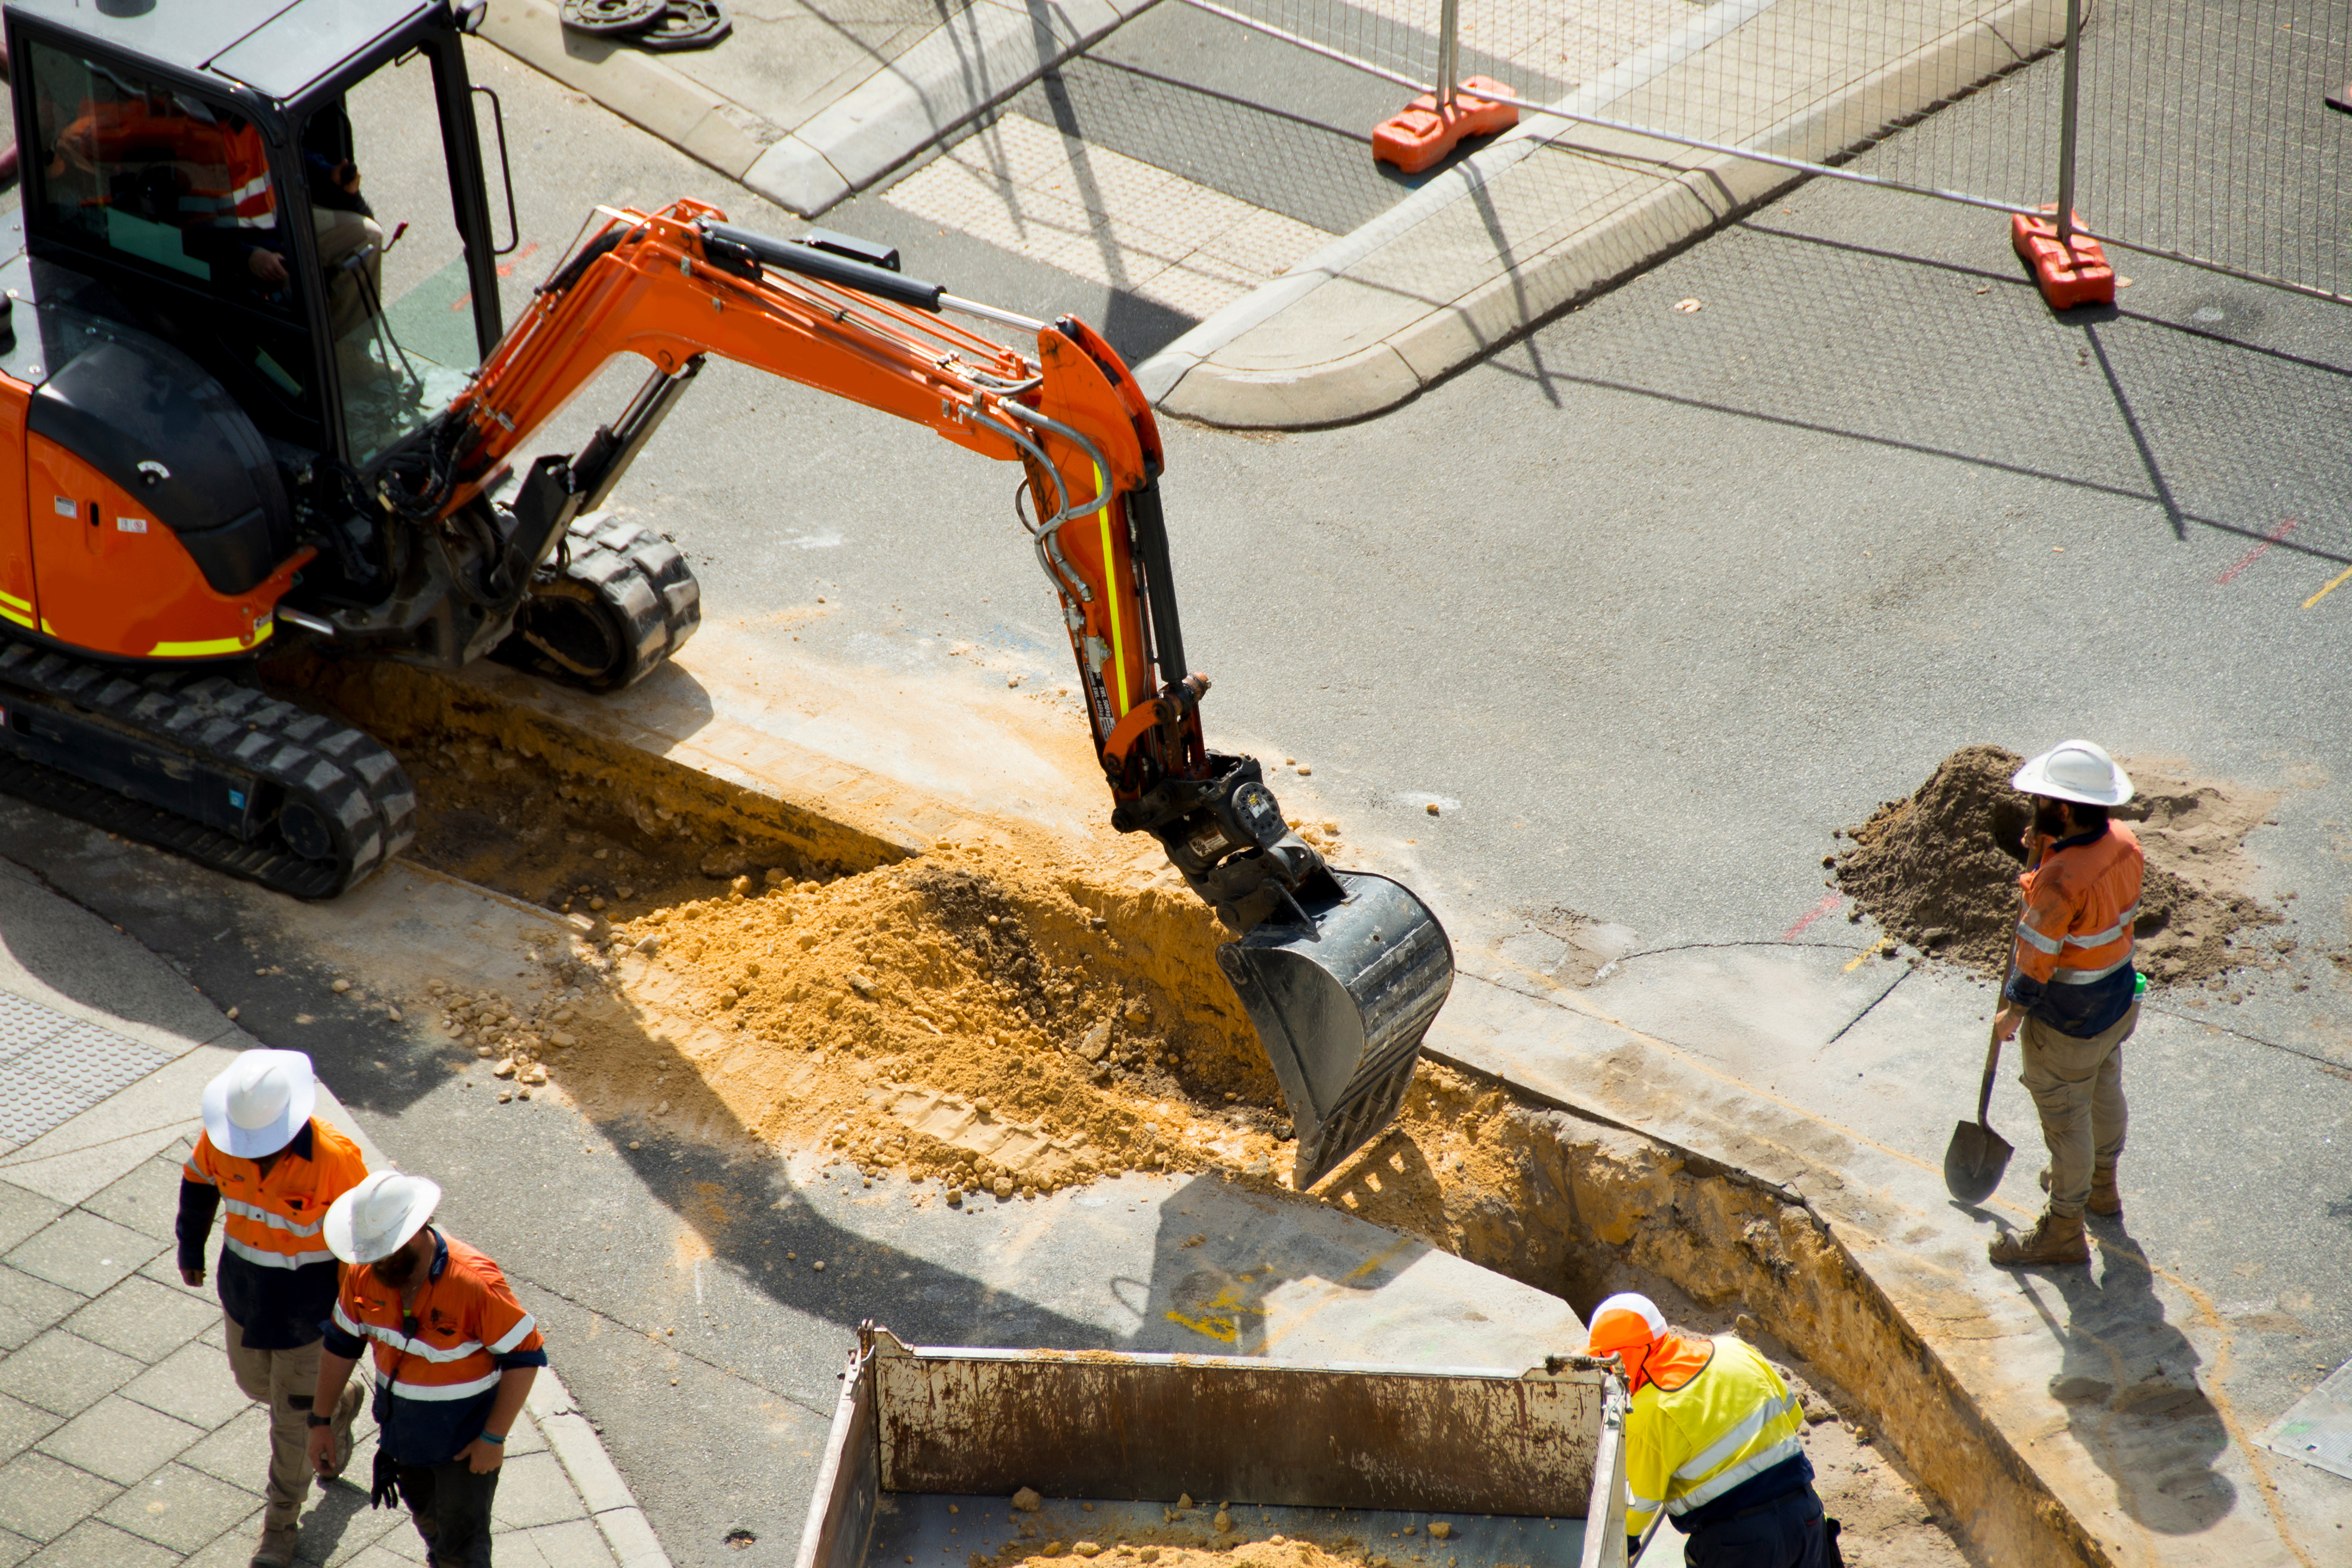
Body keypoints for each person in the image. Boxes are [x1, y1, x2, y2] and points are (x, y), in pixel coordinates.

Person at [175, 1050, 370, 1568]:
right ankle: (343, 1403)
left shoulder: (336, 1160)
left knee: (291, 1423)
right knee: (256, 1387)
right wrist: (190, 1246)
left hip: (310, 1317)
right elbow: (198, 1181)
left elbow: (362, 1242)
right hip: (244, 1297)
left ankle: (280, 1526)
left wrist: (354, 1319)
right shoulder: (222, 1138)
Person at [310, 1172, 547, 1568]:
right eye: (370, 1251)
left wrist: (493, 1439)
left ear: (418, 1230)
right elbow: (341, 1345)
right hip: (405, 1438)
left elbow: (525, 1358)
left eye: (387, 1250)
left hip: (465, 1445)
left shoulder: (474, 1283)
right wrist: (320, 1421)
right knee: (431, 1525)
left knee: (463, 1549)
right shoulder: (363, 1274)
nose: (377, 1261)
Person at [1987, 739, 2142, 1267]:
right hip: (2117, 999)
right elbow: (2093, 899)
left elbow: (2036, 958)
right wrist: (2051, 848)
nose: (2034, 805)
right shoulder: (2123, 841)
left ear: (2065, 809)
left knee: (2066, 1119)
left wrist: (2013, 1013)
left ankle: (2063, 1230)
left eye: (2043, 799)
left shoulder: (2058, 879)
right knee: (2104, 1090)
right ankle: (2103, 1189)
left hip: (2067, 1019)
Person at [1584, 1293, 1831, 1567]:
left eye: (1604, 1362)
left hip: (1738, 1545)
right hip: (1806, 1517)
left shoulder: (1648, 1411)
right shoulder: (1735, 1350)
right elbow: (1792, 1416)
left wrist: (1618, 1545)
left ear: (1623, 1357)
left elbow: (1635, 1510)